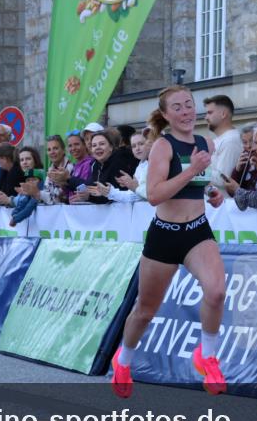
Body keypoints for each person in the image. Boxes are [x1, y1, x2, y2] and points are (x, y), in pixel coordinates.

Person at [111, 85, 227, 399]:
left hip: (197, 232)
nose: (186, 111)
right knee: (145, 310)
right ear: (166, 115)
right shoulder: (162, 146)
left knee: (216, 292)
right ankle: (124, 360)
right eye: (177, 107)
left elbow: (198, 183)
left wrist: (210, 192)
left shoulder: (206, 143)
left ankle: (208, 355)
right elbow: (154, 195)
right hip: (165, 235)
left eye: (189, 104)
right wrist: (192, 171)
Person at [69, 130, 127, 204]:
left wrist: (89, 197)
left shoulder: (119, 163)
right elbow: (92, 188)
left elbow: (118, 196)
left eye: (102, 144)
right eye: (94, 145)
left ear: (111, 147)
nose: (97, 147)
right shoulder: (96, 165)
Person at [204, 95, 240, 197]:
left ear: (223, 114)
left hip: (223, 207)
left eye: (210, 113)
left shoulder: (231, 140)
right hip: (213, 205)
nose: (206, 117)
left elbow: (223, 178)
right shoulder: (219, 140)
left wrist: (194, 169)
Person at [107, 128, 153, 202]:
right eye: (134, 146)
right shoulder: (141, 166)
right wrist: (110, 192)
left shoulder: (155, 164)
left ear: (150, 143)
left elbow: (152, 195)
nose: (137, 148)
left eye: (141, 144)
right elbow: (133, 195)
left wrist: (134, 186)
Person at [8, 146, 46, 227]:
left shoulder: (41, 176)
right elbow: (24, 201)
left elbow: (30, 205)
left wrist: (15, 219)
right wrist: (14, 213)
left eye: (28, 159)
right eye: (22, 160)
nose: (24, 162)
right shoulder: (26, 175)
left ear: (35, 160)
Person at [49, 131, 93, 201]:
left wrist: (67, 178)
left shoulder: (90, 163)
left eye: (76, 144)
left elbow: (87, 187)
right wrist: (62, 184)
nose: (73, 148)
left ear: (85, 144)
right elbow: (71, 192)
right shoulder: (75, 166)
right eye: (70, 146)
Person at [228, 122, 257, 192]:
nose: (248, 146)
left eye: (252, 141)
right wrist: (237, 170)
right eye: (245, 142)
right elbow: (232, 192)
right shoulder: (244, 158)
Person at [42, 134, 72, 204]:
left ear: (63, 150)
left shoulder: (70, 168)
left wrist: (37, 194)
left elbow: (56, 199)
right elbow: (46, 193)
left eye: (55, 148)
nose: (52, 152)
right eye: (49, 149)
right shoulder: (50, 170)